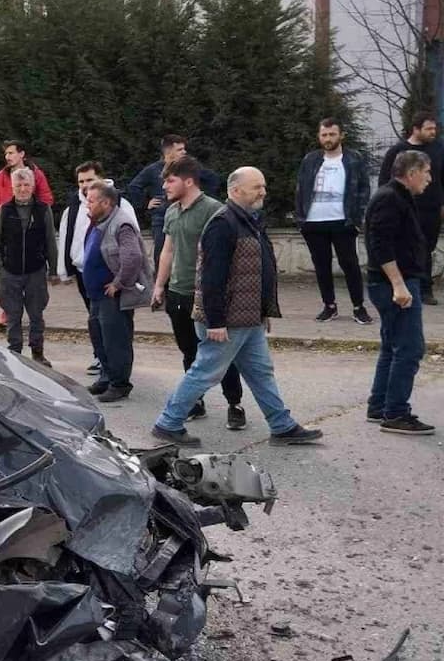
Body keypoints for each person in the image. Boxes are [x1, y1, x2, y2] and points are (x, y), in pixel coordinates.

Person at [153, 168, 323, 448]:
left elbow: (258, 271)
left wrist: (263, 311)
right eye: (256, 187)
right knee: (205, 372)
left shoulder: (250, 222)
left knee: (260, 372)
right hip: (228, 320)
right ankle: (168, 423)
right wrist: (216, 321)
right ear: (235, 191)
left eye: (263, 186)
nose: (263, 192)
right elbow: (211, 278)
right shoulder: (223, 224)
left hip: (248, 318)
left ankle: (282, 427)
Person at [150, 157, 247, 431]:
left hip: (205, 293)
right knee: (189, 351)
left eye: (170, 181)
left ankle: (235, 404)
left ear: (189, 181)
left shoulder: (214, 210)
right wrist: (159, 286)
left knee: (219, 354)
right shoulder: (172, 211)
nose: (165, 186)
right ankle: (196, 401)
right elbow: (168, 250)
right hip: (178, 293)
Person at [365, 149, 434, 434]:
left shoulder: (399, 197)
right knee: (409, 348)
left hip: (396, 282)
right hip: (395, 284)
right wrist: (398, 284)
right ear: (412, 173)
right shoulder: (390, 198)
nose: (429, 179)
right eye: (427, 172)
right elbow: (380, 244)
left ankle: (380, 405)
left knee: (392, 346)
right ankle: (395, 413)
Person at [57, 161, 139, 376]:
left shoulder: (120, 207)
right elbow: (67, 237)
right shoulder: (75, 207)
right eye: (81, 181)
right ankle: (103, 363)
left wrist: (120, 281)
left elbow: (133, 247)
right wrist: (64, 269)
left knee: (115, 327)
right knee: (96, 323)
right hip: (85, 274)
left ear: (101, 180)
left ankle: (118, 373)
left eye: (90, 180)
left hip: (111, 278)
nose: (85, 185)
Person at [296, 118, 372, 324]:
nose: (328, 138)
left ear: (341, 135)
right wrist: (301, 220)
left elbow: (364, 188)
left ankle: (359, 307)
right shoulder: (310, 160)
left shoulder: (353, 159)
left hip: (343, 221)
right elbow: (301, 189)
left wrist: (357, 218)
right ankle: (329, 306)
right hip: (313, 222)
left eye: (332, 134)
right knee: (321, 266)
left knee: (350, 265)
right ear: (319, 136)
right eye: (324, 135)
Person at [81, 181, 150, 402]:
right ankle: (107, 378)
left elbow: (133, 258)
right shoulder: (99, 221)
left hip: (113, 297)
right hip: (96, 296)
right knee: (100, 339)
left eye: (91, 201)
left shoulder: (121, 224)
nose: (87, 205)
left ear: (106, 203)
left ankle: (120, 384)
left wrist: (117, 284)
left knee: (115, 342)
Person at [0, 168, 57, 365]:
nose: (23, 189)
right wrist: (0, 269)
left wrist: (53, 270)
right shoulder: (4, 211)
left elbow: (51, 241)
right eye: (18, 185)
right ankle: (15, 353)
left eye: (27, 185)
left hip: (36, 271)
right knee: (12, 315)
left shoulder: (43, 210)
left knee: (36, 315)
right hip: (10, 272)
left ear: (33, 186)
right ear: (12, 187)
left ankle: (37, 353)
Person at [378, 111, 444, 306]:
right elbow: (385, 179)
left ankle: (425, 288)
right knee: (404, 247)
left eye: (434, 128)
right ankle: (401, 286)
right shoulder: (398, 151)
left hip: (431, 209)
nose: (433, 132)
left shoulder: (439, 149)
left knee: (426, 248)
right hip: (404, 208)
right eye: (428, 129)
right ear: (416, 129)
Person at [128, 134, 222, 268]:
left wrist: (201, 198)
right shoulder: (153, 169)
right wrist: (145, 203)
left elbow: (213, 179)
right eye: (180, 149)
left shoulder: (190, 169)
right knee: (161, 252)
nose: (184, 152)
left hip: (188, 213)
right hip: (161, 217)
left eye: (184, 149)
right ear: (168, 151)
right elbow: (134, 186)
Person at [0, 141, 54, 211]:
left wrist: (40, 213)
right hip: (7, 215)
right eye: (6, 154)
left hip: (30, 215)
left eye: (11, 153)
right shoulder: (1, 175)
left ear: (21, 154)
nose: (7, 157)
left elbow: (46, 197)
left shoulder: (36, 173)